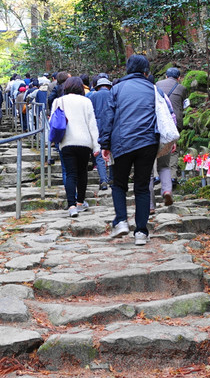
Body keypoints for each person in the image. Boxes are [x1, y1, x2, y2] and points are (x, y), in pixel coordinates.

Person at [98, 55, 159, 245]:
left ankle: (121, 221)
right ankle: (141, 232)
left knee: (119, 184)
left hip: (122, 142)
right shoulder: (154, 89)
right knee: (142, 187)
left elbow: (109, 118)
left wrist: (105, 144)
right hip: (148, 142)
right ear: (146, 70)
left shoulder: (116, 89)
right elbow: (165, 115)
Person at [52, 76, 100, 217]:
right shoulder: (86, 101)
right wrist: (96, 146)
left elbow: (53, 121)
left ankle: (71, 205)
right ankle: (80, 202)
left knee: (71, 173)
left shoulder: (59, 101)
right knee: (82, 172)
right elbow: (92, 124)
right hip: (84, 142)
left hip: (67, 141)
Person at [155, 67, 187, 206]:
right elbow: (186, 105)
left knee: (156, 147)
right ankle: (172, 177)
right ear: (178, 77)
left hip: (159, 121)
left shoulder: (157, 85)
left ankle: (156, 175)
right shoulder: (182, 88)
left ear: (166, 76)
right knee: (172, 149)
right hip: (175, 122)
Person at [89, 75, 113, 191]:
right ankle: (112, 177)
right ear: (109, 86)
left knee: (98, 152)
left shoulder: (93, 96)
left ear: (97, 87)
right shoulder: (113, 95)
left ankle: (103, 179)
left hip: (97, 125)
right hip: (112, 124)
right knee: (112, 151)